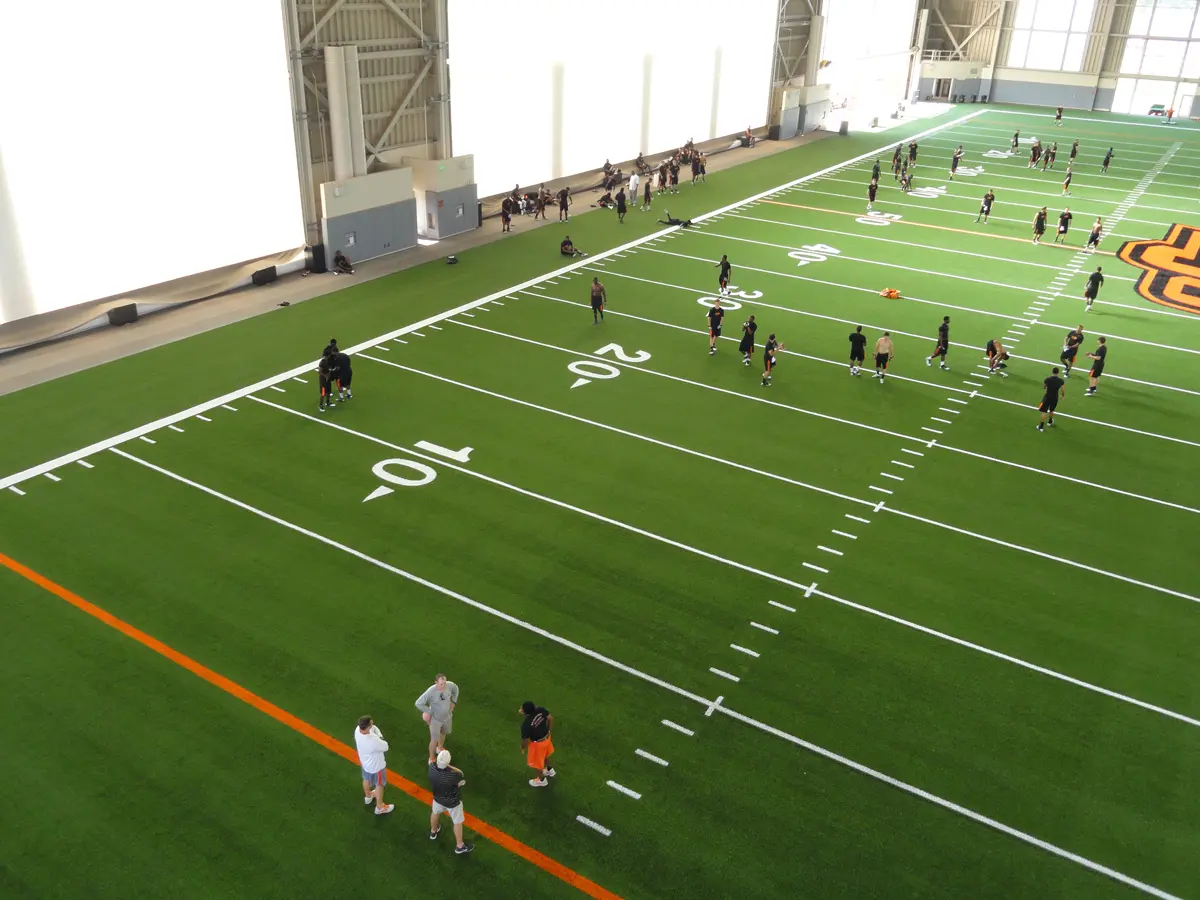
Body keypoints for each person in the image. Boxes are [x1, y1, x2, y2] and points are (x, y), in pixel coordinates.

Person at [428, 750, 473, 854]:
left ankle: (433, 831)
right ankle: (459, 846)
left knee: (435, 813)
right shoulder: (453, 775)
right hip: (452, 802)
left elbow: (433, 764)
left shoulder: (431, 768)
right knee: (457, 822)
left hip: (437, 798)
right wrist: (449, 766)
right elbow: (461, 773)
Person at [354, 716, 395, 816]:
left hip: (365, 763)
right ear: (367, 727)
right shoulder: (373, 741)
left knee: (366, 779)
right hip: (377, 767)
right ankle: (380, 807)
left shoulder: (357, 730)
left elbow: (371, 731)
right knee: (379, 784)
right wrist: (378, 736)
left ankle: (368, 796)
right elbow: (385, 746)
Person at [415, 673, 459, 763]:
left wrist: (454, 702)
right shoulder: (431, 691)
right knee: (434, 740)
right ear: (436, 682)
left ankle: (439, 748)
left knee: (443, 733)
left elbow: (456, 689)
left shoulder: (449, 685)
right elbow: (418, 703)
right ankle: (431, 758)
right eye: (441, 684)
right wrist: (430, 712)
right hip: (436, 720)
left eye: (444, 683)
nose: (443, 686)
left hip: (447, 717)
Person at [520, 701, 556, 787]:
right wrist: (549, 730)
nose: (520, 709)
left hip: (538, 744)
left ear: (525, 712)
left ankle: (541, 780)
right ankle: (550, 770)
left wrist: (523, 748)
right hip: (547, 738)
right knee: (545, 755)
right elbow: (550, 718)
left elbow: (525, 740)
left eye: (521, 709)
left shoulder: (526, 725)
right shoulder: (540, 710)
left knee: (537, 763)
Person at [1037, 367, 1066, 432]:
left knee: (1044, 411)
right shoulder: (1061, 380)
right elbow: (1063, 390)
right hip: (1055, 397)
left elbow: (1044, 386)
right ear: (1058, 372)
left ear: (1052, 372)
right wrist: (1062, 395)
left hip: (1047, 397)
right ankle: (1049, 422)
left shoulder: (1047, 379)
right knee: (1052, 410)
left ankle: (1041, 427)